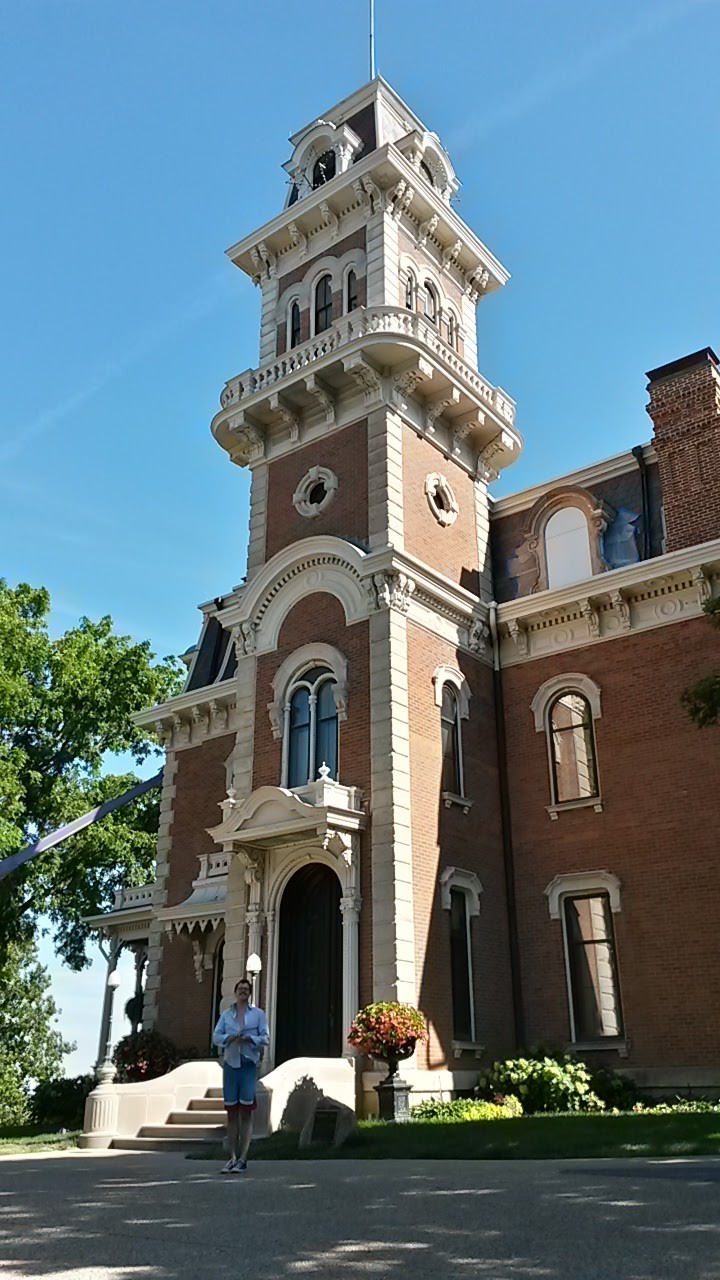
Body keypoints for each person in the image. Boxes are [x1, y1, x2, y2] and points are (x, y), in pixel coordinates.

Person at [212, 977, 269, 1173]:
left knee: (246, 1112)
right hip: (230, 1065)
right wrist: (229, 1037)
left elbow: (265, 1038)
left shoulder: (258, 1015)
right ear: (235, 992)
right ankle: (232, 1158)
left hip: (247, 1066)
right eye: (240, 989)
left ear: (249, 993)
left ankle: (243, 1158)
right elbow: (216, 1036)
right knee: (231, 1113)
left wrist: (249, 1038)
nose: (243, 992)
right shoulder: (227, 1015)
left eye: (246, 989)